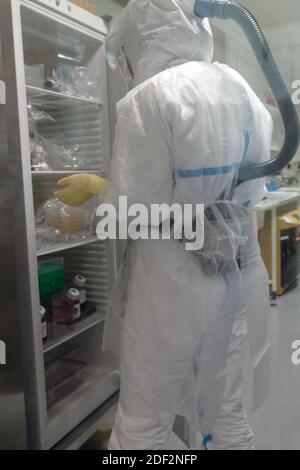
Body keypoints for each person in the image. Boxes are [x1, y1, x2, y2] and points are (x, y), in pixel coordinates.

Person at [55, 0, 273, 450]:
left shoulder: (150, 99)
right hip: (232, 273)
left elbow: (131, 212)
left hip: (170, 284)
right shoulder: (245, 93)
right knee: (226, 412)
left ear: (143, 36)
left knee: (144, 421)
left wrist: (96, 192)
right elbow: (252, 192)